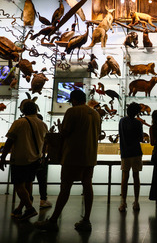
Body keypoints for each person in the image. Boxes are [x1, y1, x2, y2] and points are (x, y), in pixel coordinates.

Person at [34, 90, 101, 231]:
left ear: (74, 100)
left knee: (65, 188)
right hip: (90, 156)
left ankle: (53, 221)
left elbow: (65, 132)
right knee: (88, 186)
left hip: (73, 156)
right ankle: (86, 220)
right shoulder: (95, 114)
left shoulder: (72, 112)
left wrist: (59, 129)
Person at [0, 100, 48, 221]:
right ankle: (23, 208)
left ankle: (30, 208)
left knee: (19, 185)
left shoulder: (19, 123)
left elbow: (9, 141)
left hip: (20, 158)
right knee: (28, 183)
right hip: (35, 159)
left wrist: (2, 157)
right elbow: (45, 143)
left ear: (23, 110)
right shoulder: (43, 124)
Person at [118, 102, 143, 212]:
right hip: (136, 152)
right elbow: (140, 139)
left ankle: (123, 203)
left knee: (125, 177)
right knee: (136, 176)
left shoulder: (122, 121)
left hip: (125, 152)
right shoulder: (138, 124)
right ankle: (136, 202)